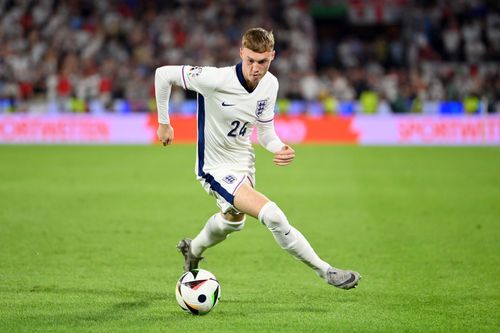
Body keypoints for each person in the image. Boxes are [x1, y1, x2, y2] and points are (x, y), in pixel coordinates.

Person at [155, 27, 361, 289]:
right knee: (273, 215)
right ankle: (326, 271)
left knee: (234, 221)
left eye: (262, 61)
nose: (255, 68)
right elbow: (163, 75)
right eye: (250, 59)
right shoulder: (214, 79)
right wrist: (164, 123)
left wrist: (278, 147)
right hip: (214, 167)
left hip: (244, 163)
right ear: (241, 52)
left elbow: (265, 133)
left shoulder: (270, 84)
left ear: (272, 57)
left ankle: (192, 250)